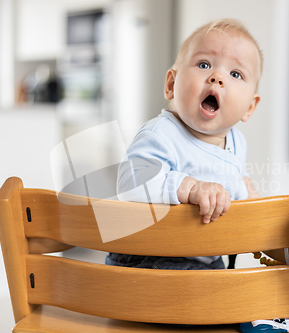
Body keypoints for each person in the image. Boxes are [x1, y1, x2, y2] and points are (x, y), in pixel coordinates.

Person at [106, 18, 262, 270]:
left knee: (247, 291)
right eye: (204, 64)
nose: (217, 77)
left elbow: (236, 183)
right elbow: (130, 183)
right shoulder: (162, 133)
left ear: (249, 107)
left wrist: (259, 210)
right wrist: (189, 187)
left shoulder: (237, 142)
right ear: (171, 85)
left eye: (235, 74)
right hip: (148, 259)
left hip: (205, 260)